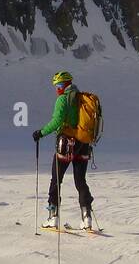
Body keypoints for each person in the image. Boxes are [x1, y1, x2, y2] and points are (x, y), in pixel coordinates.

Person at [33, 70, 95, 230]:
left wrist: (41, 132)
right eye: (56, 85)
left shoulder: (62, 100)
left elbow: (57, 121)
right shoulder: (82, 99)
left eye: (59, 85)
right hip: (83, 144)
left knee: (56, 180)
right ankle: (86, 216)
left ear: (66, 84)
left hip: (66, 144)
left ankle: (53, 216)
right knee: (80, 181)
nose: (57, 88)